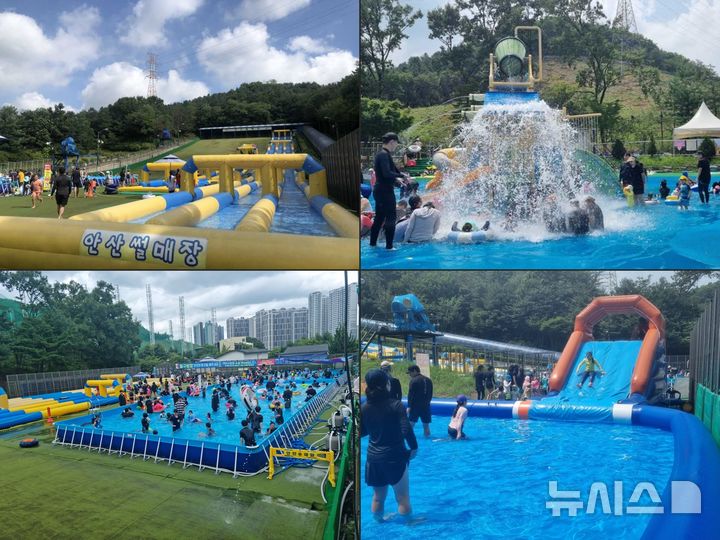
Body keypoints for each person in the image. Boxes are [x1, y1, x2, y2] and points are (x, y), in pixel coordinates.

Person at [361, 368, 418, 523]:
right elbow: (406, 429)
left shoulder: (364, 407)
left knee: (378, 498)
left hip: (373, 459)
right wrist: (414, 447)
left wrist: (376, 428)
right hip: (394, 456)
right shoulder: (395, 405)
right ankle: (409, 524)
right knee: (402, 498)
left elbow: (361, 432)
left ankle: (379, 522)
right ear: (387, 384)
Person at [369, 132, 409, 250]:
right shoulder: (384, 155)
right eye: (396, 143)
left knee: (379, 218)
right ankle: (389, 246)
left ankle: (372, 244)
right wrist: (402, 175)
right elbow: (387, 173)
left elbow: (384, 175)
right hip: (385, 191)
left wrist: (397, 181)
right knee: (391, 218)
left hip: (380, 190)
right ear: (392, 142)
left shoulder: (382, 154)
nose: (396, 145)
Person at [406, 364, 433, 437]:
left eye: (410, 373)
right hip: (426, 406)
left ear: (414, 371)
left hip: (415, 406)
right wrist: (427, 403)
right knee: (426, 426)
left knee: (411, 425)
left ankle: (408, 439)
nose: (410, 375)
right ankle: (427, 440)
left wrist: (409, 406)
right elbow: (430, 394)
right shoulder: (428, 380)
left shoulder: (414, 380)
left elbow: (410, 395)